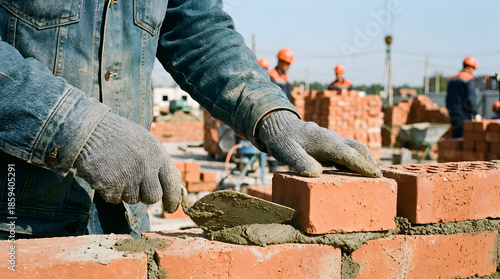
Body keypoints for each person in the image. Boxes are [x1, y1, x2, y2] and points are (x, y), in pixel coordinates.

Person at [0, 0, 381, 239]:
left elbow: (197, 29)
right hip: (16, 223)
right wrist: (78, 128)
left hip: (123, 221)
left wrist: (272, 114)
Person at [445, 56, 479, 138]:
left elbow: (448, 99)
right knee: (463, 140)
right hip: (464, 115)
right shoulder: (469, 79)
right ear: (470, 68)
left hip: (453, 114)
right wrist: (475, 113)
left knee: (455, 138)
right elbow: (470, 99)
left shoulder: (452, 79)